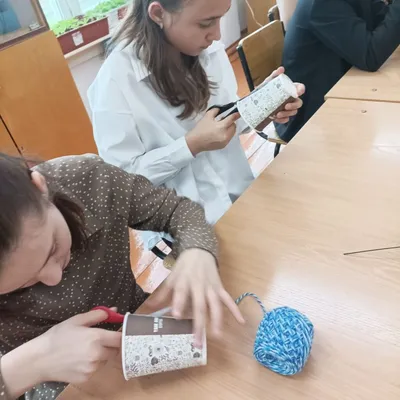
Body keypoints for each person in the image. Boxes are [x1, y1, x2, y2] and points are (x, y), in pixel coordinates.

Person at [0, 153, 244, 400]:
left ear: (39, 187)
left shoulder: (88, 181)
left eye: (53, 248)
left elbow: (176, 211)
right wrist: (27, 367)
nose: (54, 278)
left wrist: (197, 251)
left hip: (142, 332)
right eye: (22, 285)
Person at [88, 0, 305, 251]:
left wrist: (260, 106)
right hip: (184, 233)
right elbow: (123, 186)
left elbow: (224, 122)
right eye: (206, 23)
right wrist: (191, 145)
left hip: (242, 197)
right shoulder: (114, 84)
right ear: (158, 13)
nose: (217, 35)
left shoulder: (209, 50)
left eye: (221, 18)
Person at [275, 0, 400, 143]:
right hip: (310, 116)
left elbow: (380, 21)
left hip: (346, 89)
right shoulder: (321, 4)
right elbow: (370, 56)